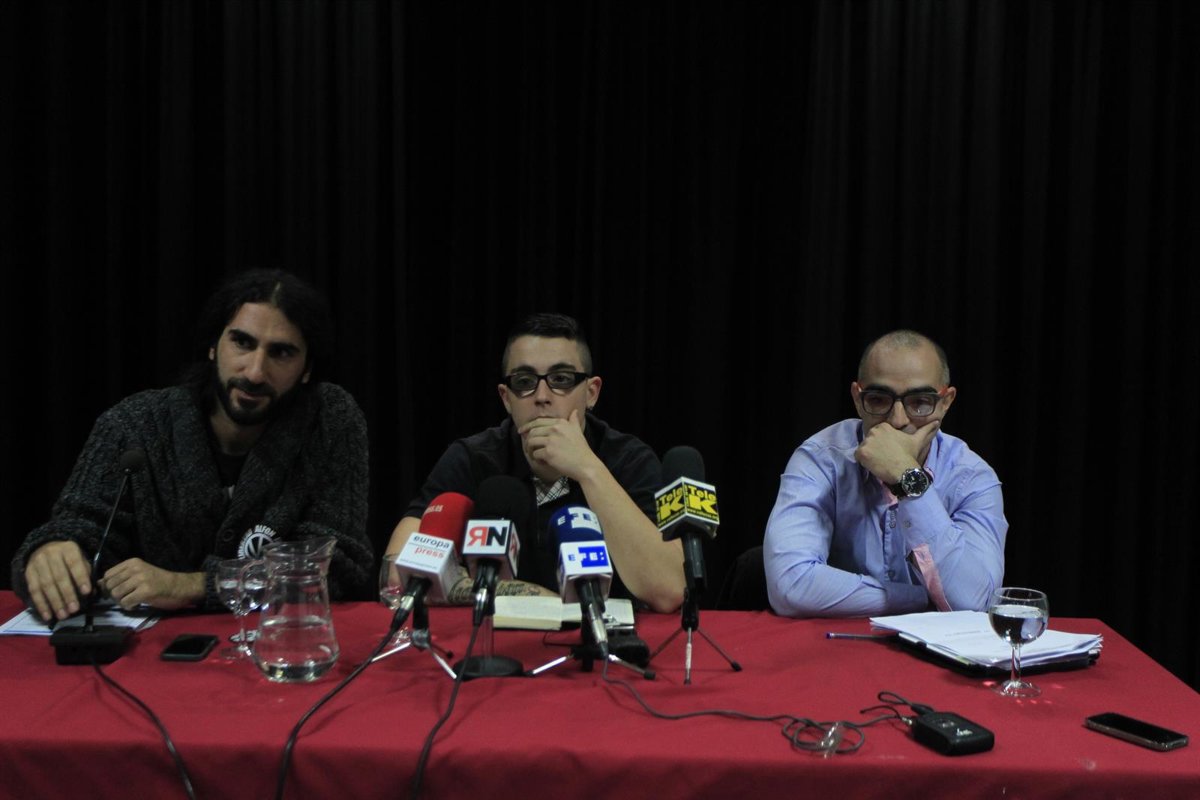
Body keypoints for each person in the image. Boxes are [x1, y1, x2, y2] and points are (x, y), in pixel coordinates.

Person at [12, 269, 374, 621]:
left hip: (278, 640)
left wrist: (195, 586)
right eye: (242, 343)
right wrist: (51, 552)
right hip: (150, 649)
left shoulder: (330, 420)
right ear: (213, 346)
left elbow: (338, 564)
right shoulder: (134, 424)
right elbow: (81, 527)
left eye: (281, 353)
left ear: (307, 368)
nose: (254, 372)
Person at [386, 313, 685, 613]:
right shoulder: (472, 458)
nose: (542, 397)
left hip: (600, 640)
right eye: (525, 382)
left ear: (591, 393)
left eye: (561, 379)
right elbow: (398, 576)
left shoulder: (629, 460)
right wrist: (547, 603)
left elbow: (670, 589)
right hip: (490, 639)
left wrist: (588, 469)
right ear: (506, 398)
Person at [764, 330, 1006, 618]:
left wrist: (907, 477)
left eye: (920, 402)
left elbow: (977, 602)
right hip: (837, 640)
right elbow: (791, 586)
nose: (898, 420)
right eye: (879, 400)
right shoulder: (820, 459)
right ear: (857, 398)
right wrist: (921, 600)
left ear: (946, 402)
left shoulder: (972, 477)